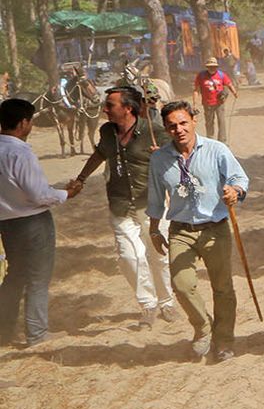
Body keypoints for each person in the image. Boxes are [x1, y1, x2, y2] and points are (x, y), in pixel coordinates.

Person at [64, 87, 179, 328]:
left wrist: (164, 157)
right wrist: (81, 179)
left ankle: (167, 302)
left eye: (110, 105)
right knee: (129, 257)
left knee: (159, 257)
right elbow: (99, 154)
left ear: (128, 108)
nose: (105, 109)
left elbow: (180, 156)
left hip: (152, 205)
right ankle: (147, 305)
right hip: (119, 204)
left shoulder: (153, 132)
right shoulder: (107, 131)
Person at [147, 100, 249, 361]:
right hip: (180, 230)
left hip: (215, 228)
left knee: (222, 287)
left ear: (194, 120)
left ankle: (224, 340)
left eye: (183, 123)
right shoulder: (159, 159)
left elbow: (239, 178)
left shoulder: (216, 150)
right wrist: (154, 230)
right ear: (166, 129)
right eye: (172, 126)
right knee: (181, 284)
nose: (179, 130)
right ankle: (203, 327)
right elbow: (156, 197)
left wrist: (234, 191)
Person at [0, 98, 75, 346]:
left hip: (6, 222)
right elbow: (38, 195)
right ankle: (37, 332)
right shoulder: (21, 153)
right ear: (23, 123)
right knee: (38, 278)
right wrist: (66, 193)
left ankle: (4, 330)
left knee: (15, 275)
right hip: (31, 221)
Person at [192, 56, 235, 143]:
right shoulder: (201, 76)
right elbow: (196, 90)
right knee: (209, 122)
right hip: (207, 103)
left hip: (219, 103)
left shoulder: (221, 75)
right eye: (210, 66)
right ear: (207, 67)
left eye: (214, 66)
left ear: (216, 67)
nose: (212, 68)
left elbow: (229, 84)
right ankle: (210, 139)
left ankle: (222, 141)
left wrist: (234, 92)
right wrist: (195, 103)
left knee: (221, 121)